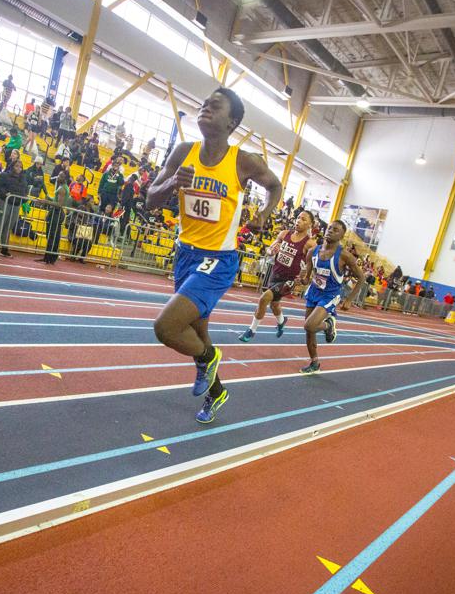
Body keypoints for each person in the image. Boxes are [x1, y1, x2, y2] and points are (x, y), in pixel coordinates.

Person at [147, 87, 282, 424]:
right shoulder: (183, 153)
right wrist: (171, 185)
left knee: (166, 327)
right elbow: (150, 198)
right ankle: (216, 391)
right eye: (204, 102)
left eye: (215, 105)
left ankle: (210, 357)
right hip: (185, 255)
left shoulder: (243, 161)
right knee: (198, 332)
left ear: (231, 122)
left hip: (218, 260)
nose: (205, 106)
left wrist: (265, 213)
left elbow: (275, 186)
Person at [297, 221, 365, 374]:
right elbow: (307, 277)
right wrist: (302, 279)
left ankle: (328, 325)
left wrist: (349, 299)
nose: (330, 231)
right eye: (329, 228)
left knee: (309, 325)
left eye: (336, 230)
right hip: (314, 292)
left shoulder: (344, 255)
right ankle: (314, 363)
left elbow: (361, 278)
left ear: (342, 235)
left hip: (330, 295)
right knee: (310, 331)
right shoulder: (312, 252)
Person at [239, 210, 316, 342]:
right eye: (298, 217)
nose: (299, 221)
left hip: (289, 280)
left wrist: (305, 277)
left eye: (303, 219)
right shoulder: (284, 234)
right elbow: (270, 250)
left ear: (310, 225)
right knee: (274, 304)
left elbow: (313, 264)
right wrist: (271, 251)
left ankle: (251, 330)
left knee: (264, 298)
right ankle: (281, 321)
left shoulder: (310, 244)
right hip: (275, 274)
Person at [0, 159, 27, 258]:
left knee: (8, 227)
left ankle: (4, 249)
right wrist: (4, 194)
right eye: (16, 166)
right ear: (12, 166)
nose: (18, 168)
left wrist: (23, 199)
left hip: (16, 206)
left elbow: (25, 192)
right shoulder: (4, 175)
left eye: (20, 167)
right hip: (3, 202)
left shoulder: (23, 179)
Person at [39, 171, 69, 265]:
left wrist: (46, 202)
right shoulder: (61, 187)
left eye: (60, 176)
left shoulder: (62, 189)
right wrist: (48, 198)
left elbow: (59, 204)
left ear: (64, 178)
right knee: (51, 236)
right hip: (55, 212)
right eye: (59, 175)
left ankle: (50, 258)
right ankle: (47, 257)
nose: (58, 177)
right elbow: (56, 200)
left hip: (57, 213)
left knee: (52, 236)